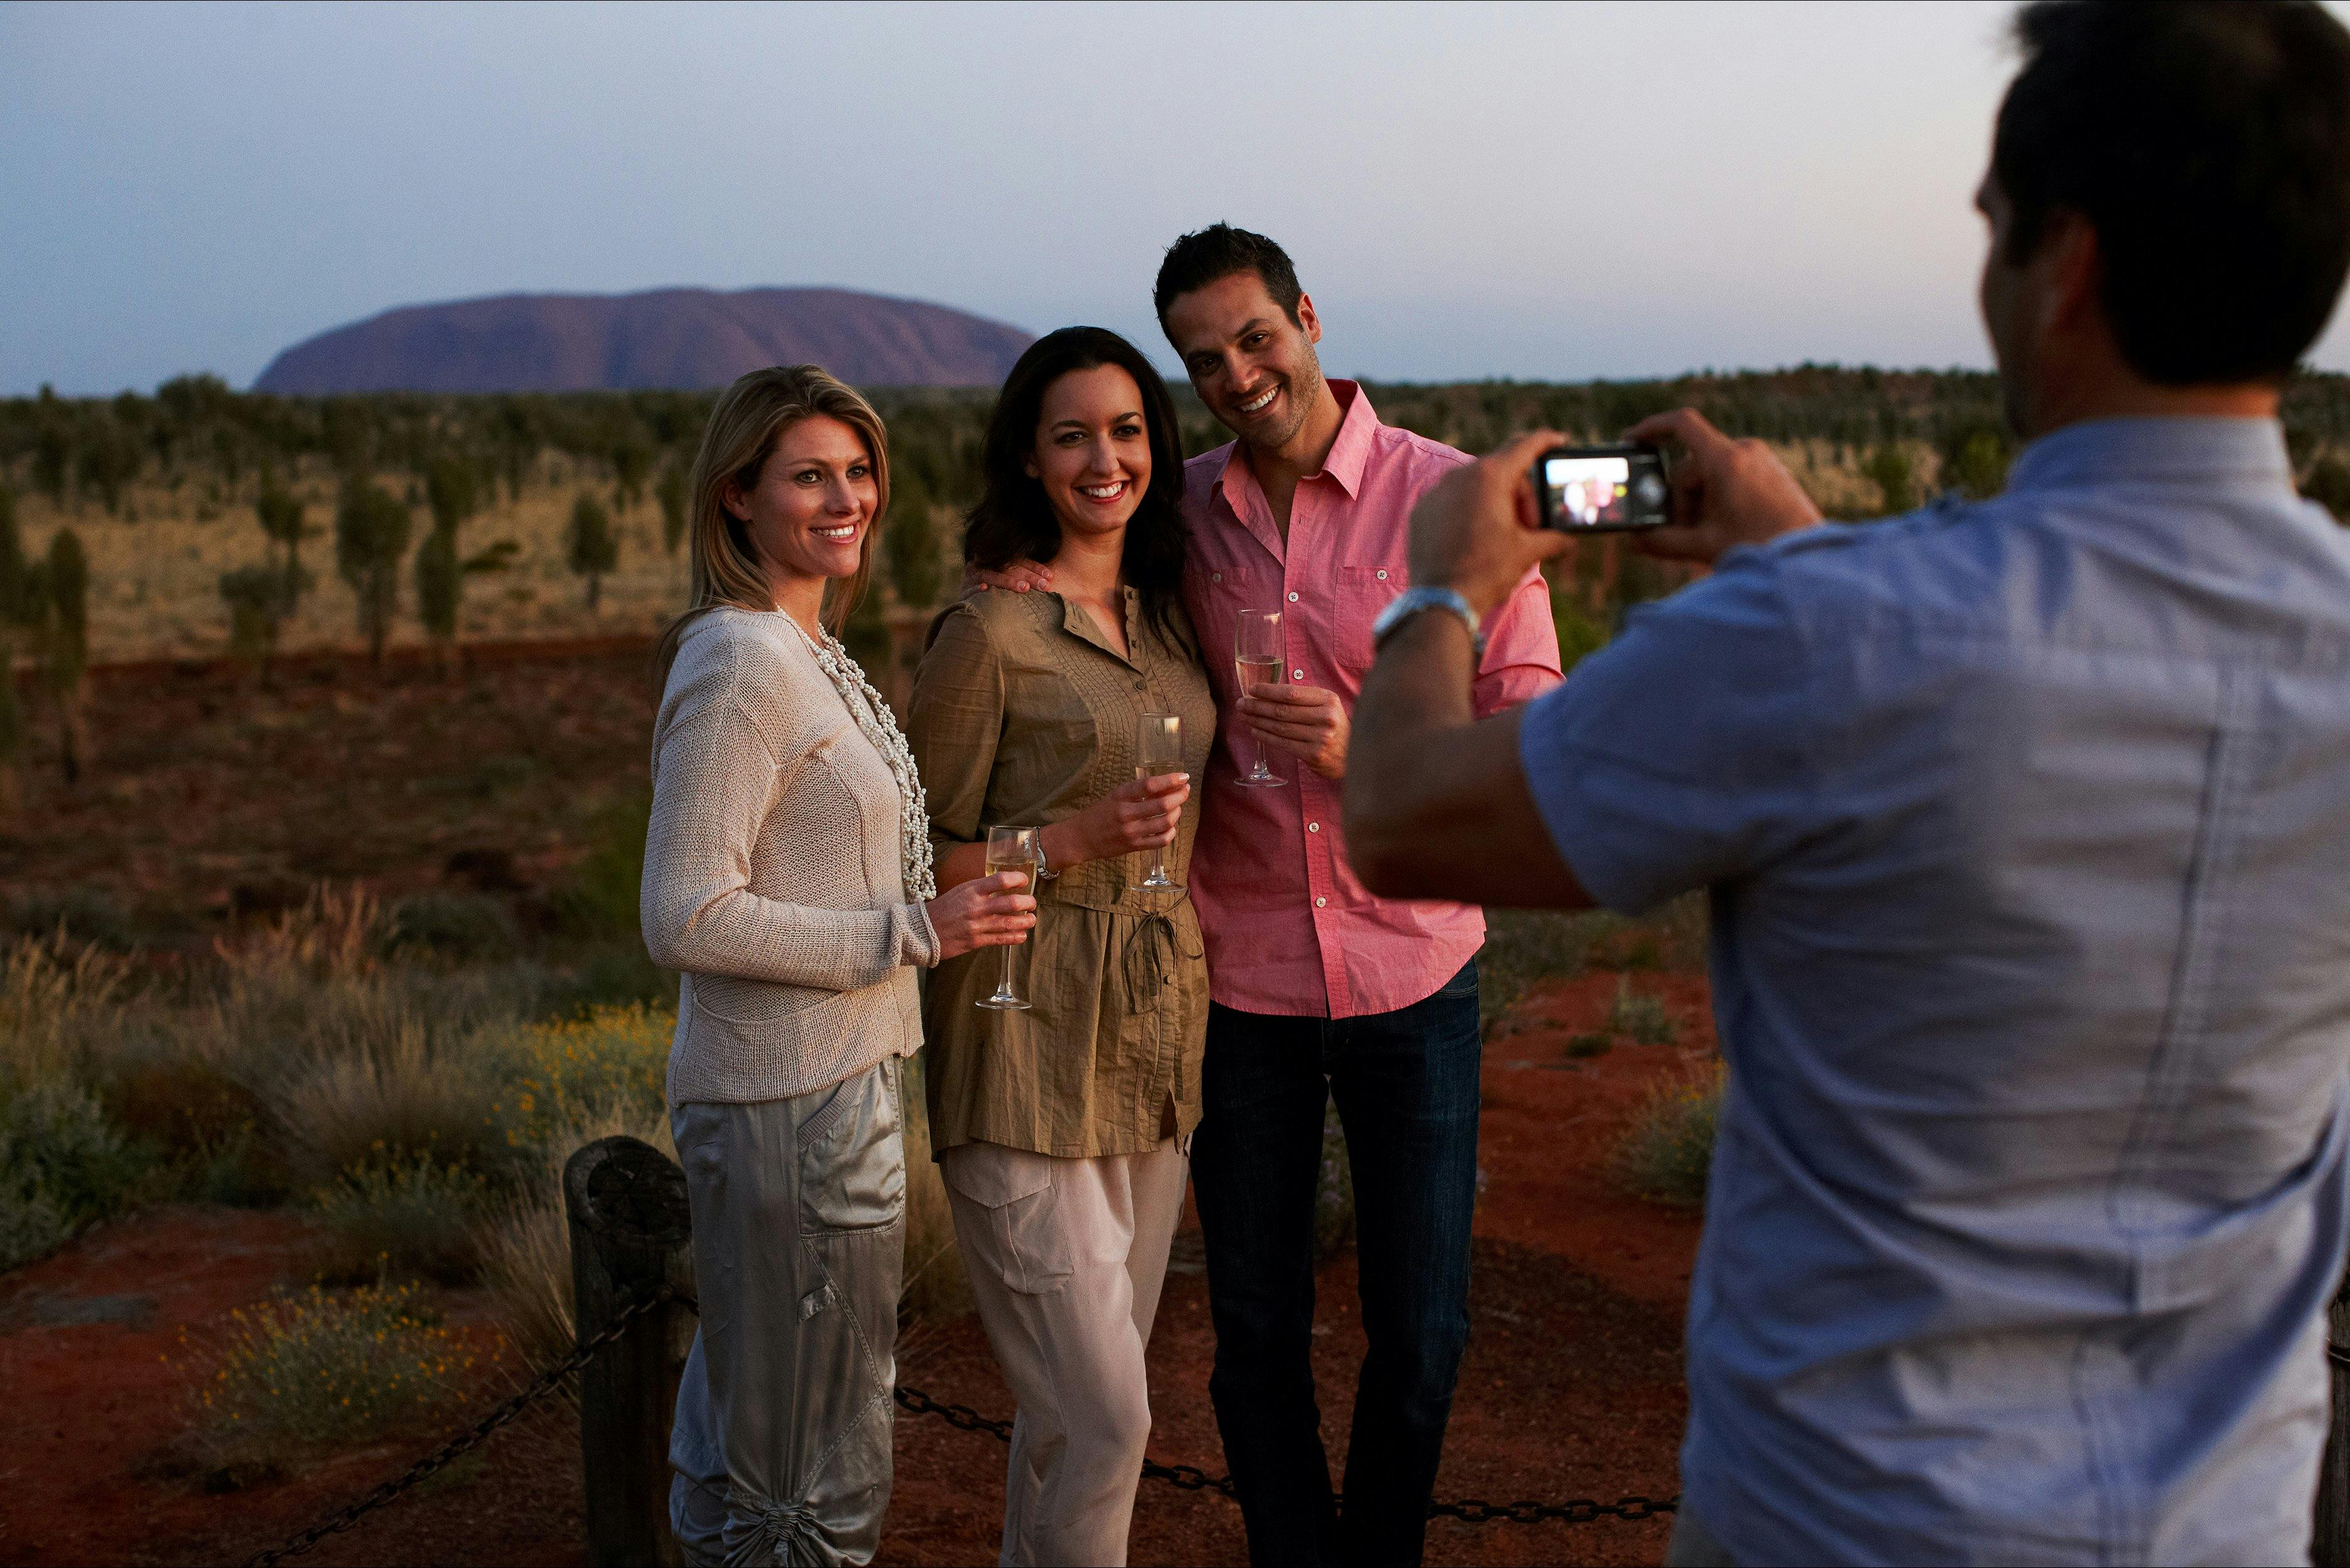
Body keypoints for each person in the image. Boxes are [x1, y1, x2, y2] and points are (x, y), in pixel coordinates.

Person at [1345, 3, 2350, 1564]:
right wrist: (1800, 552)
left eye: (1996, 231)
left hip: (1847, 1518)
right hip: (2226, 1522)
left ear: (2064, 261)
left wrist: (1446, 589)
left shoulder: (1824, 638)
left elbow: (1405, 816)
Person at [979, 227, 1563, 1565]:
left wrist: (1378, 753)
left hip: (1414, 970)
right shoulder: (1175, 514)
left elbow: (1534, 727)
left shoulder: (1453, 502)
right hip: (1236, 983)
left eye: (1255, 339)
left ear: (1306, 316)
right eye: (1204, 360)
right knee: (1253, 1334)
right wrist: (1014, 586)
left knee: (1423, 1332)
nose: (1237, 374)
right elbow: (1063, 563)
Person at [640, 364, 1035, 1567]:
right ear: (736, 498)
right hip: (787, 1106)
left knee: (758, 1440)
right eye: (808, 474)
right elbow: (684, 913)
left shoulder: (805, 648)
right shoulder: (738, 665)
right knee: (811, 1473)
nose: (845, 496)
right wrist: (912, 933)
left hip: (824, 1090)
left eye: (858, 471)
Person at [904, 327, 1214, 1567]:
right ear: (1030, 460)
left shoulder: (1164, 617)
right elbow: (909, 870)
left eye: (1129, 430)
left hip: (1150, 1048)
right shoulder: (987, 636)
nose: (1106, 458)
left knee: (1072, 1420)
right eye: (1073, 434)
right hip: (1020, 1046)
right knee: (1108, 1418)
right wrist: (1078, 835)